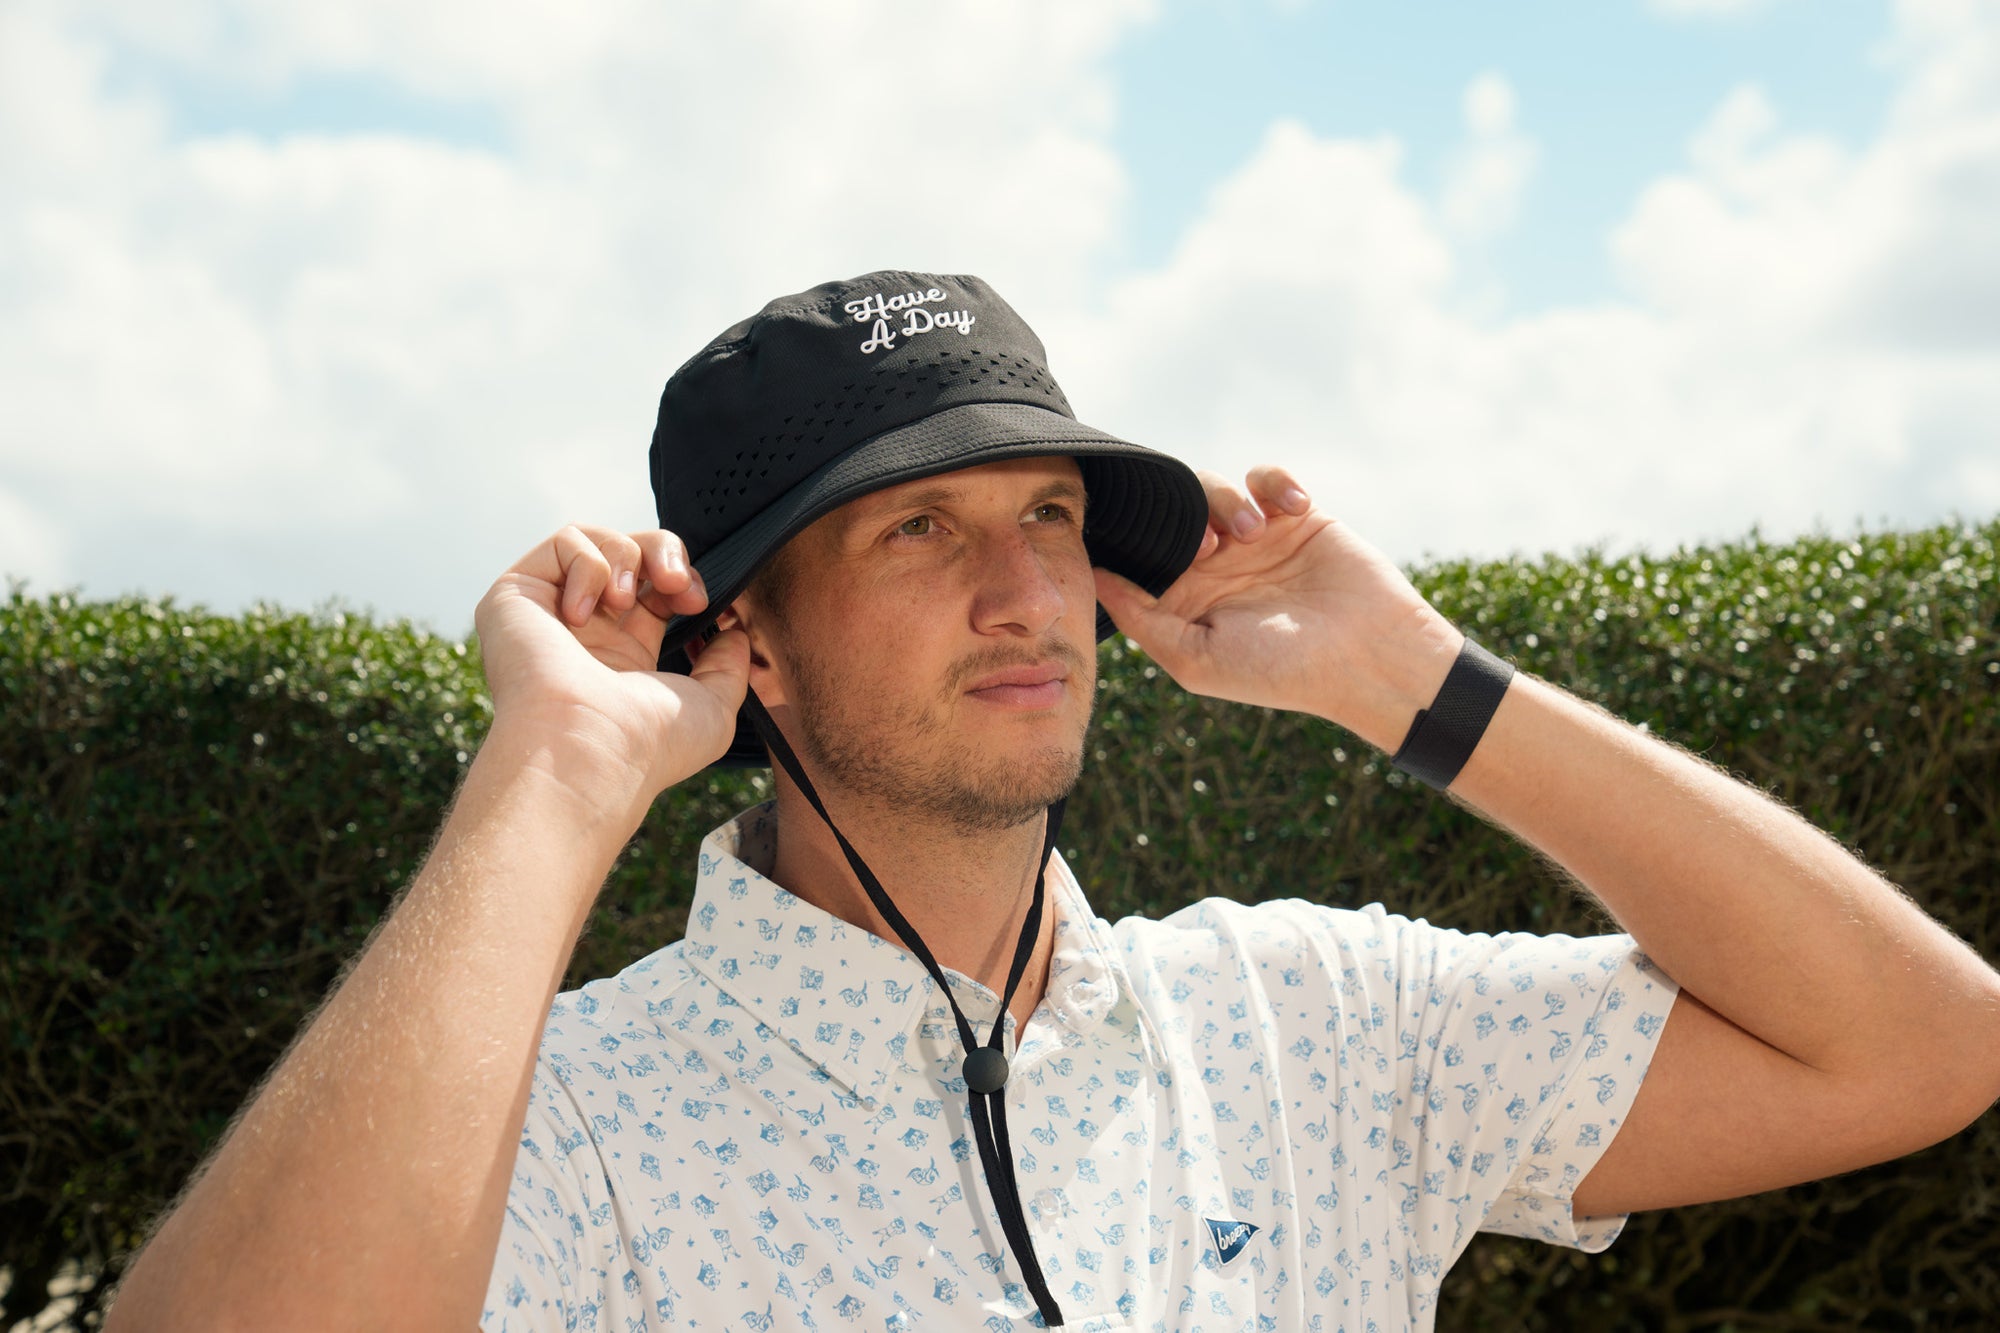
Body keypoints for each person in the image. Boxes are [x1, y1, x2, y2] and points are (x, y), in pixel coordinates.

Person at [107, 271, 2000, 1333]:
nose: (1023, 594)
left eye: (1048, 517)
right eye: (920, 527)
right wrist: (557, 776)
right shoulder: (572, 1124)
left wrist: (1410, 684)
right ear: (743, 636)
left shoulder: (1315, 1024)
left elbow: (1919, 1045)